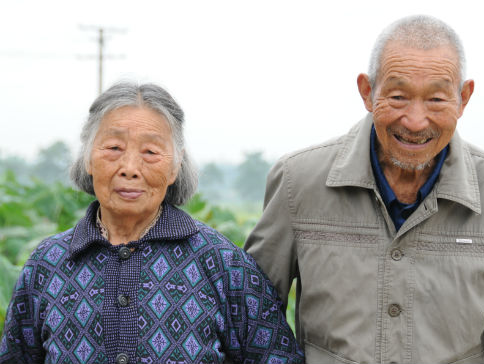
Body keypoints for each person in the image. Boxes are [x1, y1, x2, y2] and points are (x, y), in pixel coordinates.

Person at [245, 15, 484, 364]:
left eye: (437, 101)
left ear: (464, 97)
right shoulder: (298, 181)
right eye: (398, 96)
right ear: (368, 92)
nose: (415, 121)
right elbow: (251, 319)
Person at [0, 82, 304, 364]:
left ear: (175, 167)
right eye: (114, 148)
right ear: (89, 159)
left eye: (150, 152)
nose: (130, 168)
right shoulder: (47, 264)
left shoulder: (223, 265)